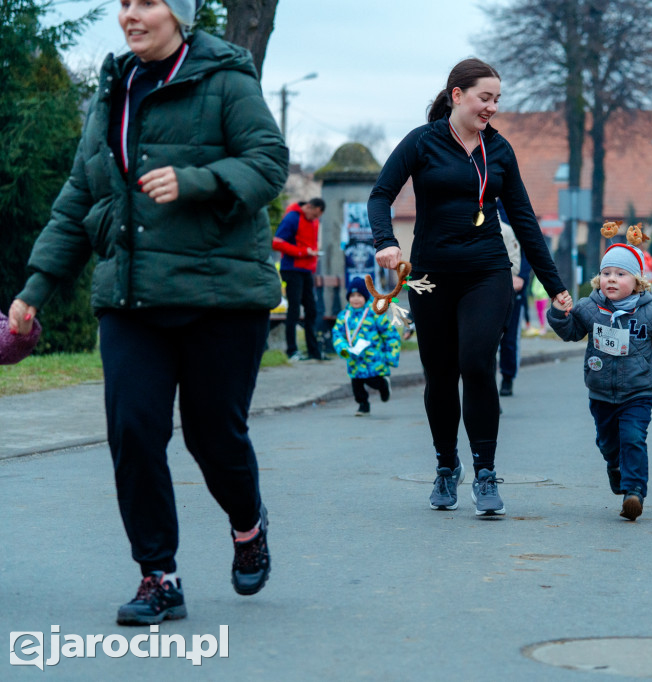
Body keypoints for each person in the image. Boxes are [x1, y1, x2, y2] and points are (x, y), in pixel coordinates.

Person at [6, 0, 287, 624]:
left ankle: (248, 524)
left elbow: (269, 164)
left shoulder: (226, 79)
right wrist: (34, 289)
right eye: (124, 3)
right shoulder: (116, 87)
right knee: (134, 433)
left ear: (180, 14)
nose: (131, 15)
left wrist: (199, 181)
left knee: (215, 436)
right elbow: (81, 193)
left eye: (147, 3)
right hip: (131, 295)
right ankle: (159, 576)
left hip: (220, 297)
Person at [368, 57, 571, 516]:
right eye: (485, 97)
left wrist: (553, 284)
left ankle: (484, 471)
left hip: (487, 271)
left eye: (497, 99)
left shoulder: (498, 150)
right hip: (429, 277)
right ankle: (445, 466)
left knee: (477, 362)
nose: (492, 107)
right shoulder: (423, 142)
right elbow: (381, 194)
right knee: (439, 372)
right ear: (457, 95)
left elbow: (524, 219)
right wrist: (385, 242)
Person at [548, 243, 652, 520]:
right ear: (598, 279)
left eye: (620, 274)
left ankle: (634, 492)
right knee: (608, 443)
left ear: (637, 282)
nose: (611, 279)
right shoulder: (590, 308)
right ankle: (615, 466)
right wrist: (558, 313)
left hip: (637, 392)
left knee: (634, 438)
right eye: (606, 273)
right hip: (600, 393)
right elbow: (571, 332)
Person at [331, 277, 401, 416]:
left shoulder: (374, 313)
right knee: (356, 384)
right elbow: (337, 334)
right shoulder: (344, 315)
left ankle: (384, 386)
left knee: (373, 380)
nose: (355, 299)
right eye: (352, 295)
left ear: (366, 296)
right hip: (354, 359)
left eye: (359, 295)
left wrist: (391, 356)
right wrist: (343, 348)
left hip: (374, 359)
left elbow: (390, 334)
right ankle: (363, 405)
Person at [273, 198, 326, 361]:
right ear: (309, 207)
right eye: (314, 214)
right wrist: (302, 252)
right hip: (292, 268)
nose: (314, 219)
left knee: (311, 309)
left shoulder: (314, 222)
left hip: (306, 270)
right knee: (294, 309)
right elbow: (277, 243)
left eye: (318, 217)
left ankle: (313, 351)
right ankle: (291, 351)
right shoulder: (292, 218)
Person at [498, 217, 525, 397]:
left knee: (509, 337)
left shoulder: (513, 207)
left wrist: (521, 276)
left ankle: (507, 377)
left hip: (512, 285)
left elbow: (528, 245)